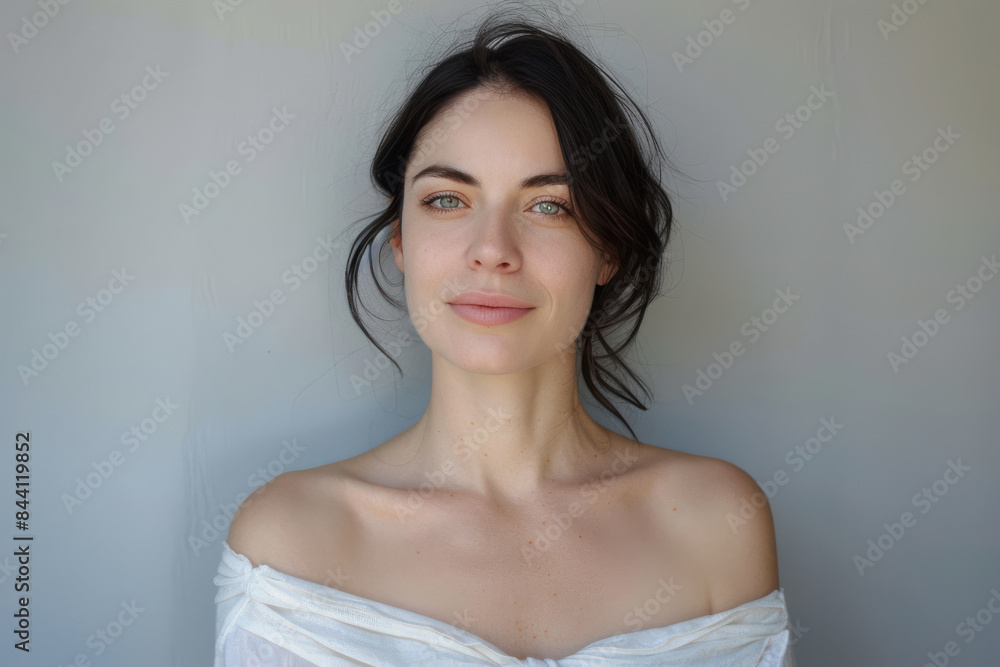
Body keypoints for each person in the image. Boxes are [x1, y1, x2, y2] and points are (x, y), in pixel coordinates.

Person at [215, 9, 794, 666]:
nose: (492, 250)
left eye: (549, 205)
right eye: (447, 200)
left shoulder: (716, 524)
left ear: (607, 248)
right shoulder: (291, 542)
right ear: (401, 239)